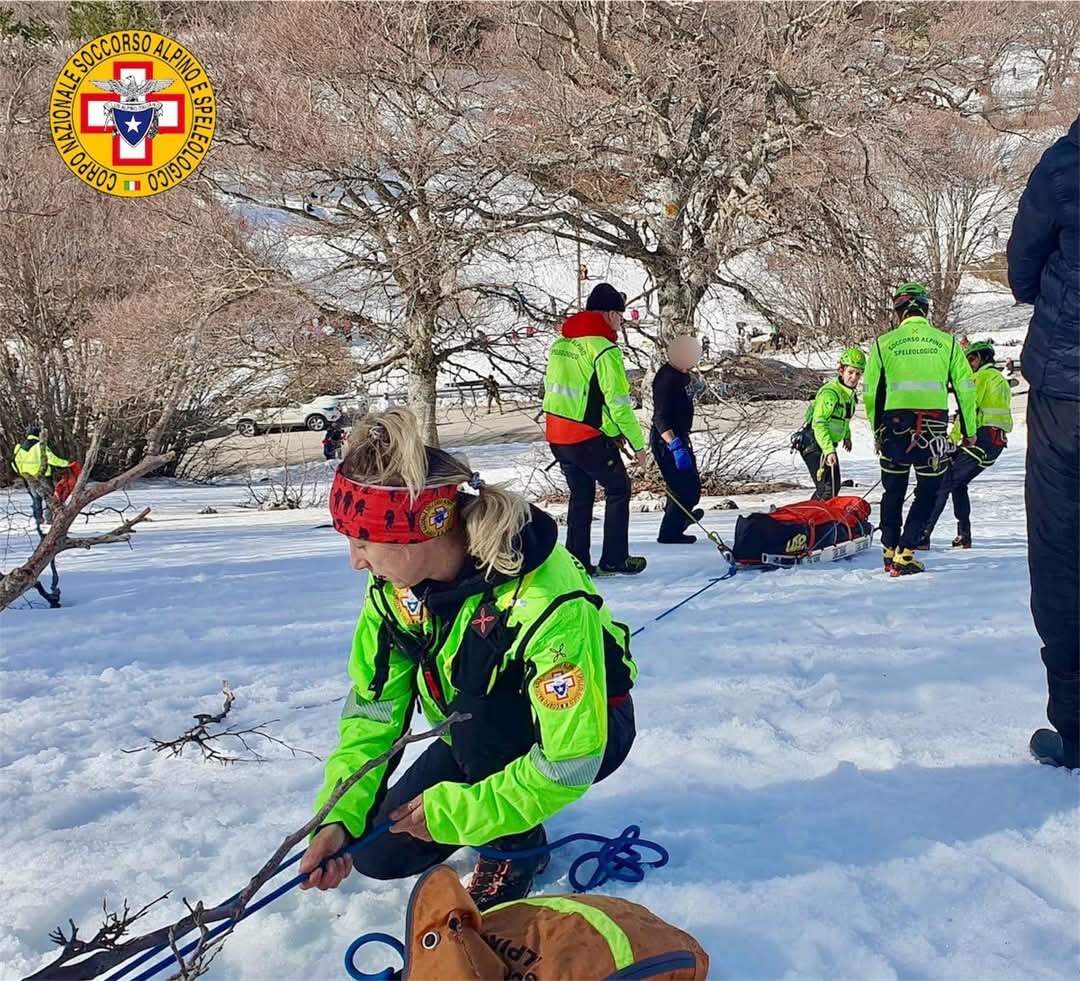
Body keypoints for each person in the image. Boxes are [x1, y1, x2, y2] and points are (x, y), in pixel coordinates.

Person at [298, 409, 637, 908]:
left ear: (426, 530)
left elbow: (571, 760)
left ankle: (515, 850)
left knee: (476, 713)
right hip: (472, 732)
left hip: (591, 730)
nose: (356, 560)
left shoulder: (543, 598)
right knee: (378, 854)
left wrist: (468, 812)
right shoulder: (393, 592)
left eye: (366, 541)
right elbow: (374, 714)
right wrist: (338, 817)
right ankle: (497, 811)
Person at [1007, 114, 1079, 770]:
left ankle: (1077, 728)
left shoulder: (1063, 164)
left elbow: (1022, 272)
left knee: (1061, 554)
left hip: (1067, 393)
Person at [863, 283, 976, 576]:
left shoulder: (882, 343)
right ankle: (906, 552)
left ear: (899, 313)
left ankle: (889, 551)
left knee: (893, 491)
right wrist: (969, 430)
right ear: (926, 310)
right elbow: (965, 388)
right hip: (932, 428)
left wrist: (877, 431)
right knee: (927, 492)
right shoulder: (947, 343)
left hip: (893, 427)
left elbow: (871, 392)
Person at [542, 283, 647, 576]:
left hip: (557, 436)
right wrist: (638, 446)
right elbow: (617, 402)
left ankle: (577, 563)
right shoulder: (604, 349)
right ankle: (614, 558)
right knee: (618, 489)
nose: (621, 321)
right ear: (611, 314)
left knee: (581, 495)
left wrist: (612, 431)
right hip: (584, 437)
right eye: (620, 315)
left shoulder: (561, 344)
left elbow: (587, 398)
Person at [919, 341, 1012, 548]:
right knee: (958, 483)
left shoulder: (980, 377)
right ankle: (964, 534)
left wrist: (952, 440)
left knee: (945, 481)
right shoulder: (1000, 379)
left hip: (983, 438)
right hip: (995, 442)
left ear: (980, 358)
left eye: (970, 359)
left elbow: (968, 410)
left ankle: (923, 534)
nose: (968, 364)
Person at [651, 335, 704, 544]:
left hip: (682, 436)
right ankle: (670, 532)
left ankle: (680, 519)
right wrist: (674, 445)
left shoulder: (684, 375)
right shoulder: (666, 379)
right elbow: (660, 417)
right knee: (681, 488)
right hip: (668, 440)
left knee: (692, 487)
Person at [794, 348, 866, 500]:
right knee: (827, 488)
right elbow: (819, 423)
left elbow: (843, 419)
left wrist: (847, 436)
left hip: (825, 444)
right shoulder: (830, 393)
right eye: (850, 372)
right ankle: (809, 520)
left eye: (858, 373)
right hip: (813, 441)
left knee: (833, 487)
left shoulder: (848, 394)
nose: (854, 377)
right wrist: (829, 451)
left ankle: (817, 519)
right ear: (841, 370)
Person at [12, 425, 71, 525]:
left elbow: (14, 462)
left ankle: (38, 519)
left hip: (29, 477)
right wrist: (67, 463)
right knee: (49, 497)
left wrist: (21, 473)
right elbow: (52, 459)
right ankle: (49, 519)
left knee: (36, 498)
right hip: (43, 476)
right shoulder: (40, 445)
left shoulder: (19, 447)